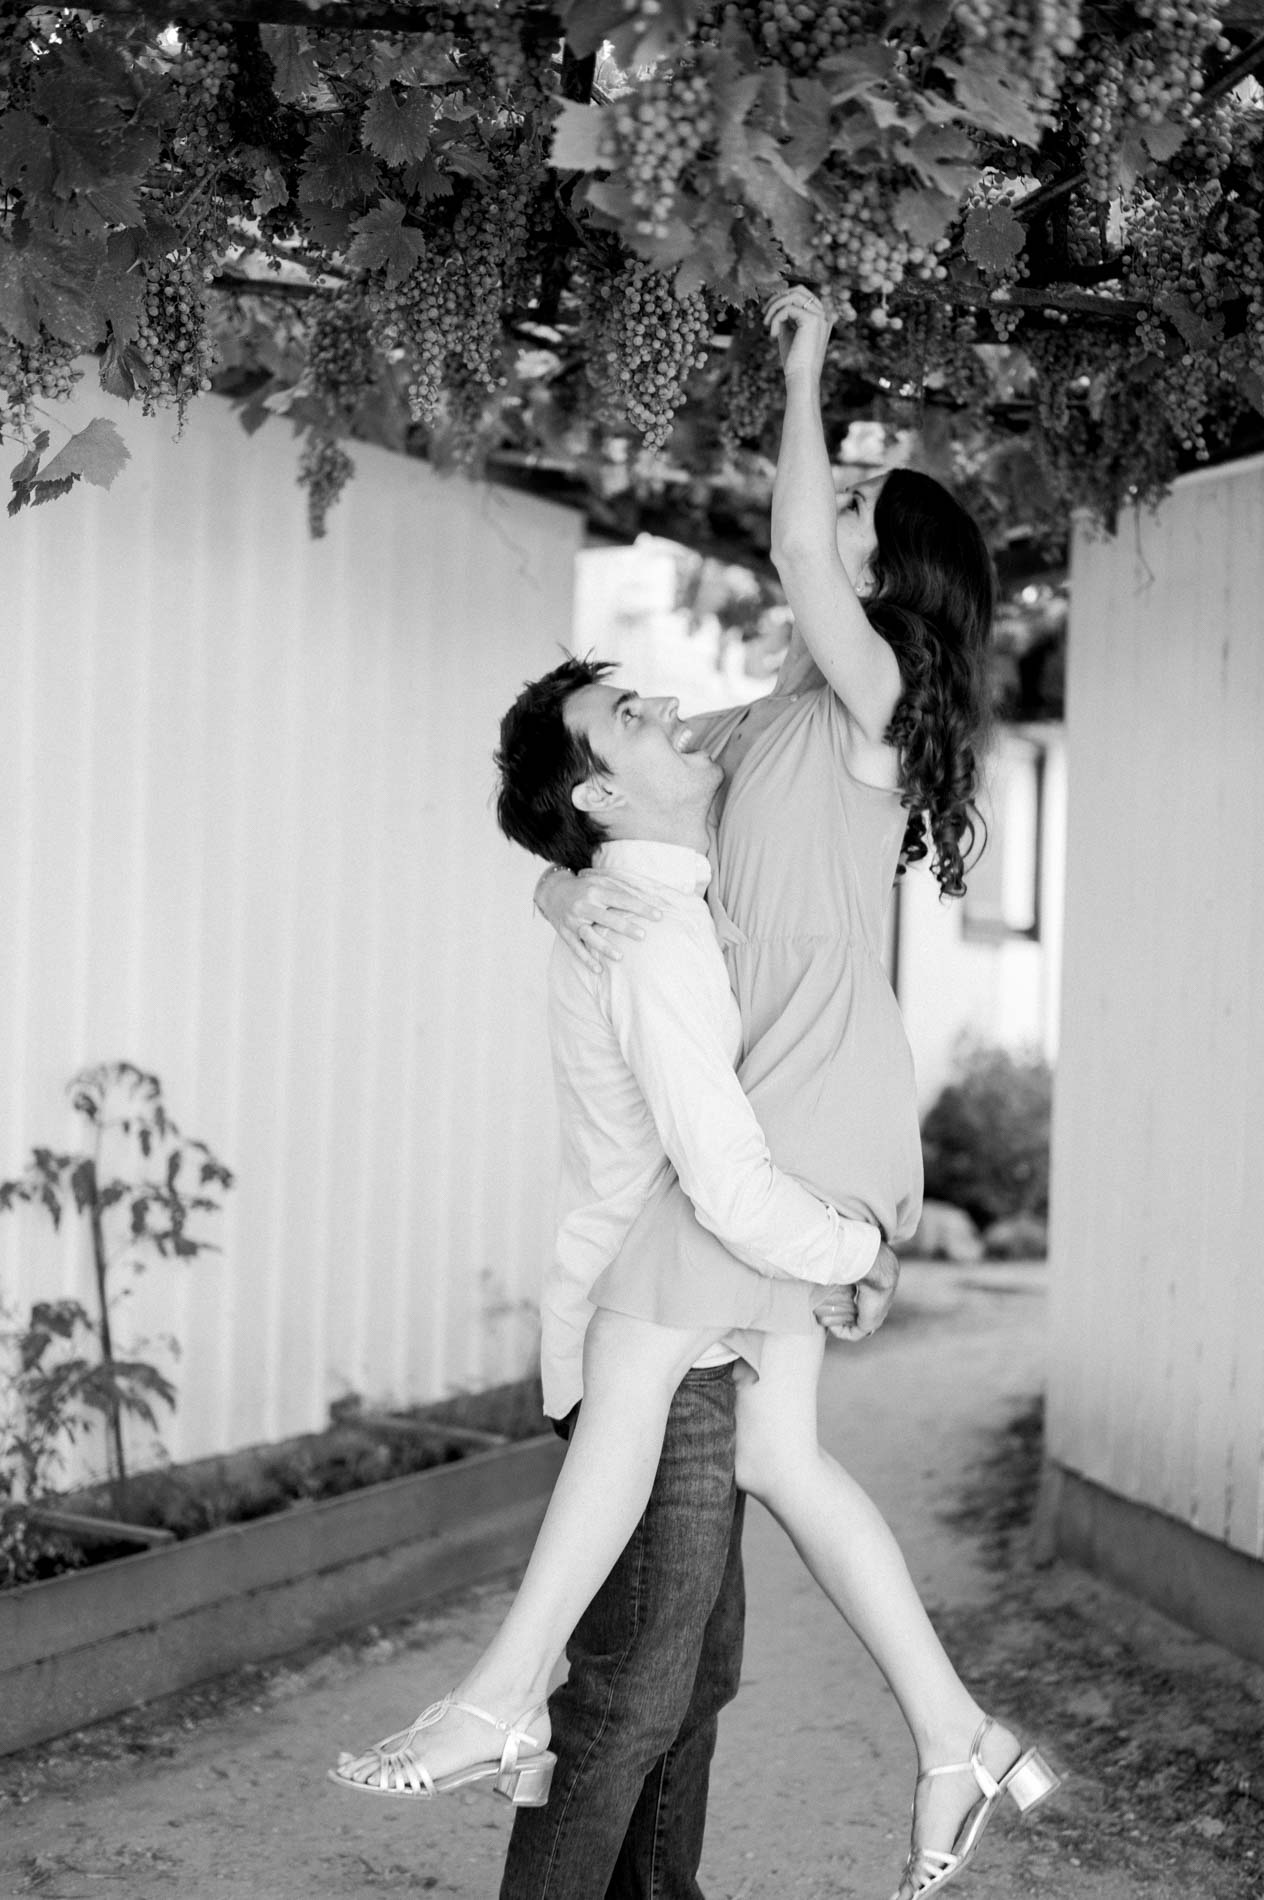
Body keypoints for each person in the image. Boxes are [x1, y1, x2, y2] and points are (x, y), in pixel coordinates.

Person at [332, 287, 1061, 1900]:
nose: (823, 523)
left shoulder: (878, 719)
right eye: (841, 490)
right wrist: (555, 898)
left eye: (856, 517)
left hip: (800, 1114)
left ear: (882, 582)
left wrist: (806, 372)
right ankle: (959, 1741)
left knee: (639, 1352)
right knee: (781, 1460)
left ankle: (501, 1691)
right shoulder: (770, 727)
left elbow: (795, 558)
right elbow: (607, 828)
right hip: (808, 1109)